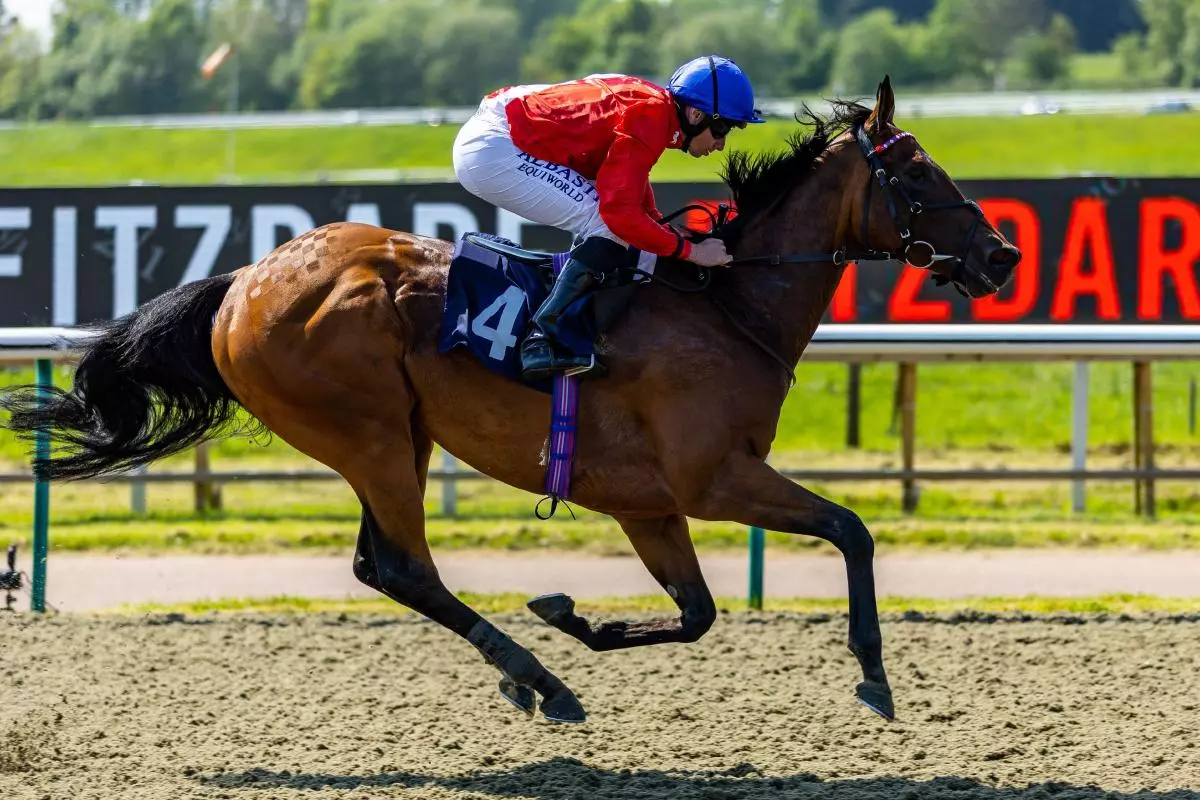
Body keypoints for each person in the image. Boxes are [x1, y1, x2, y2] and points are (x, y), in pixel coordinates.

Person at [452, 55, 765, 380]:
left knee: (630, 229)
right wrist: (693, 252)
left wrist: (658, 223)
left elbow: (627, 178)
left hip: (503, 126)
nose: (721, 143)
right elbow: (620, 214)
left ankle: (574, 322)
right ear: (696, 113)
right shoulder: (652, 115)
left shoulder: (657, 108)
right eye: (721, 128)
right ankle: (543, 338)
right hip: (494, 147)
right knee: (610, 226)